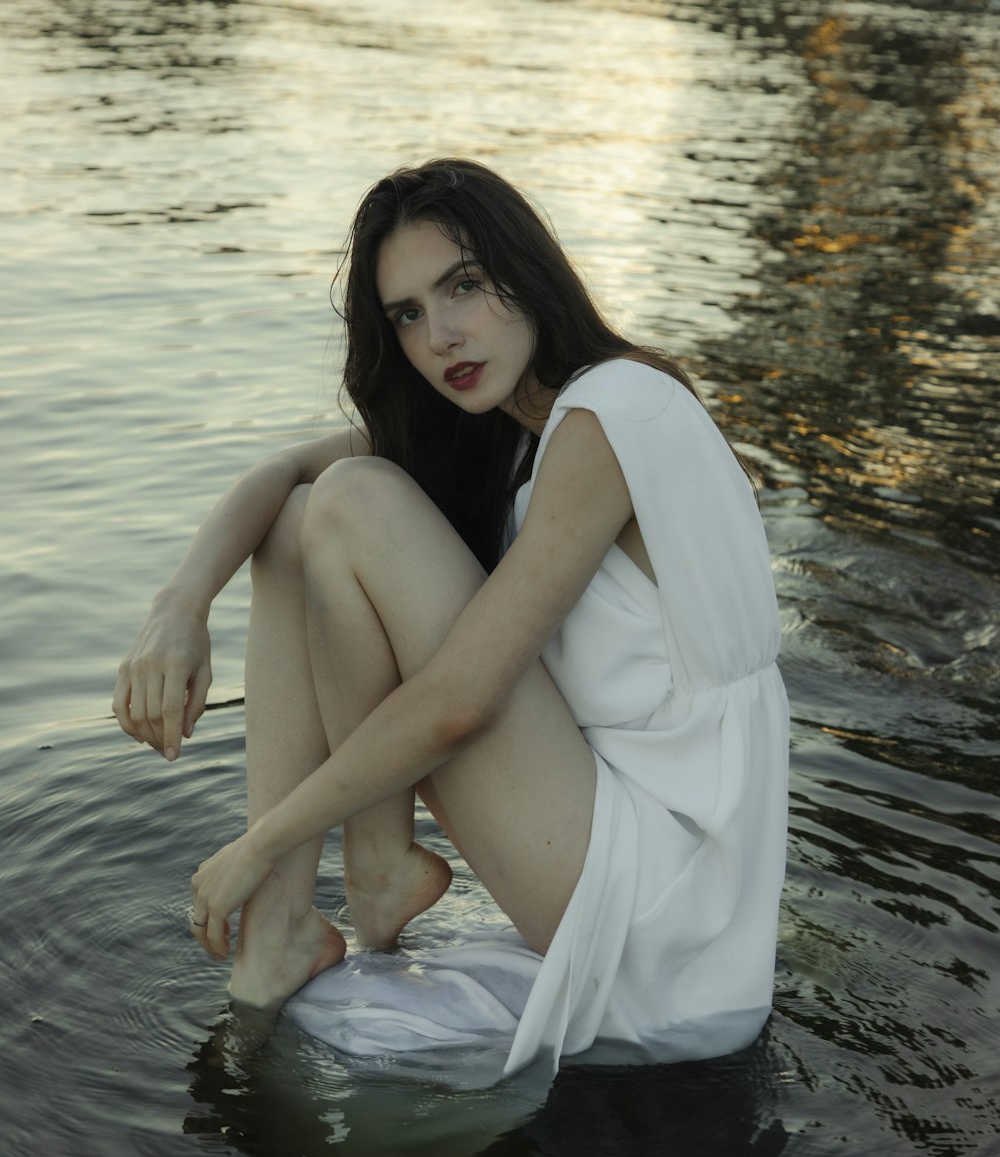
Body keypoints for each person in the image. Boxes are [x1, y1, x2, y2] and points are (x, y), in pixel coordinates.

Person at [113, 158, 788, 1076]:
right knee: (310, 512)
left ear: (525, 266)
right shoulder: (515, 427)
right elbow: (276, 480)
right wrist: (177, 609)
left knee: (352, 498)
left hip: (668, 922)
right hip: (619, 851)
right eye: (409, 315)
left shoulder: (613, 411)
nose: (442, 335)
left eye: (463, 285)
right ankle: (292, 919)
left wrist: (256, 845)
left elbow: (459, 703)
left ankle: (365, 869)